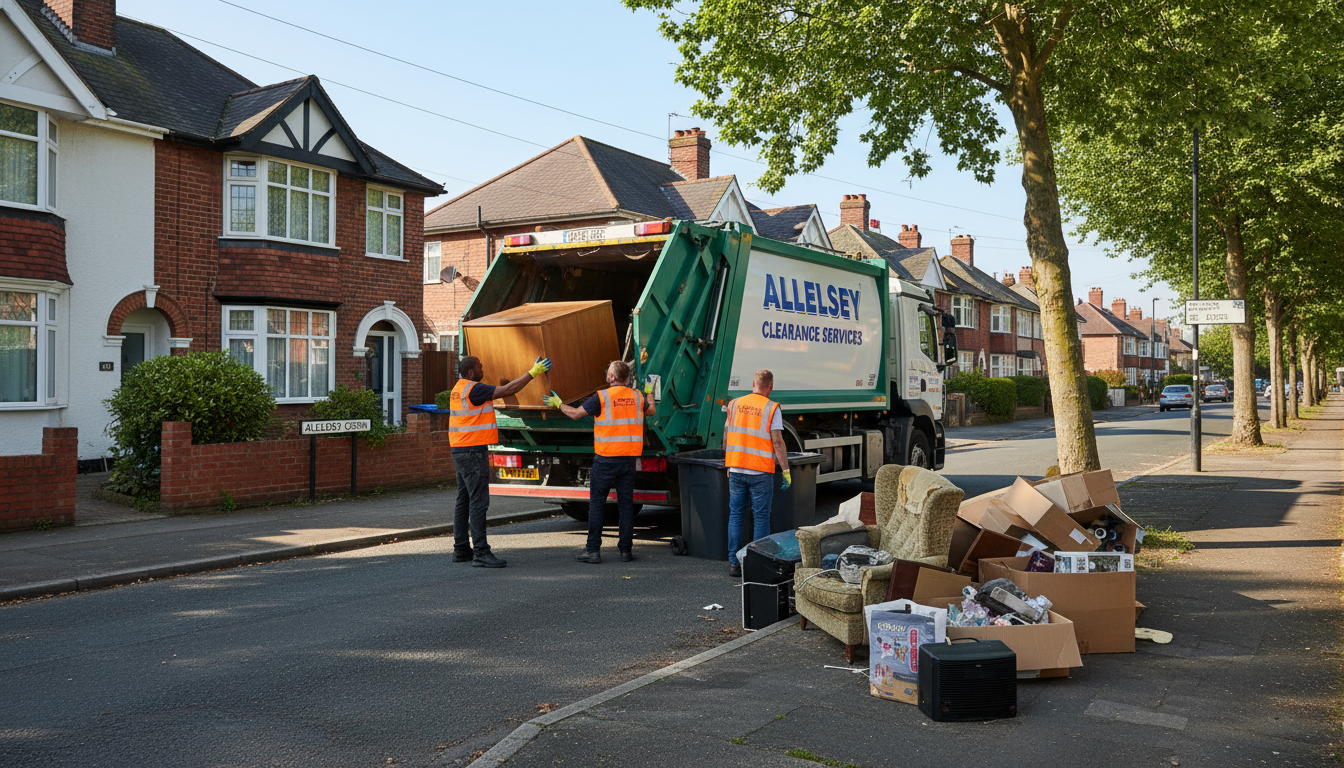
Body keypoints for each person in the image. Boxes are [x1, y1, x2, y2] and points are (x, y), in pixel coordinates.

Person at [448, 353, 550, 568]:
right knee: (478, 502)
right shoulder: (474, 389)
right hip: (473, 452)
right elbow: (508, 390)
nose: (483, 369)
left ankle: (461, 549)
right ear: (471, 372)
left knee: (463, 499)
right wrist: (533, 373)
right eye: (480, 366)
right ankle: (481, 552)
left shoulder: (458, 388)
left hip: (460, 449)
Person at [548, 361, 656, 564]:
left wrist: (558, 404)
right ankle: (625, 551)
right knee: (626, 506)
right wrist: (649, 392)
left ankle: (593, 551)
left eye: (609, 372)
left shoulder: (602, 397)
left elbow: (575, 414)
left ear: (612, 377)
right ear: (627, 378)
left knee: (597, 505)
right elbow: (651, 411)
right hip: (628, 460)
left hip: (606, 459)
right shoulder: (637, 396)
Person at [724, 369, 790, 578]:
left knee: (736, 515)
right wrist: (786, 470)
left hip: (736, 469)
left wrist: (729, 463)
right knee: (760, 517)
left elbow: (727, 436)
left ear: (753, 383)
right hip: (760, 471)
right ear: (771, 387)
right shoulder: (771, 408)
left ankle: (734, 562)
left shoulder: (734, 404)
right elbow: (777, 442)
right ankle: (757, 563)